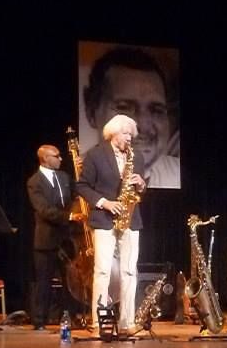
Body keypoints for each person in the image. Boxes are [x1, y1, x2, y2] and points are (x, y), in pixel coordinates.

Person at [76, 115, 147, 332]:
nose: (129, 138)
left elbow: (139, 191)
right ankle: (99, 321)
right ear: (113, 133)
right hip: (104, 218)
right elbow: (82, 186)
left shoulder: (137, 156)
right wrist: (105, 203)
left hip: (130, 219)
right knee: (102, 271)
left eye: (131, 134)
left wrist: (141, 184)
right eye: (126, 133)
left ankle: (127, 322)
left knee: (129, 271)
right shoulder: (95, 155)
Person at [83, 47, 179, 189]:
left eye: (156, 110)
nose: (143, 126)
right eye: (124, 108)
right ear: (91, 111)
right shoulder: (76, 174)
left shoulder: (178, 174)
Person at [26, 144, 80, 331]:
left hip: (67, 238)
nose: (60, 159)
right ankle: (39, 320)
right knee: (44, 281)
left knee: (71, 281)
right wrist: (69, 216)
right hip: (46, 239)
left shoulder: (64, 177)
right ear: (45, 159)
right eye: (56, 156)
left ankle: (72, 316)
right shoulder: (34, 182)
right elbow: (43, 210)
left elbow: (76, 195)